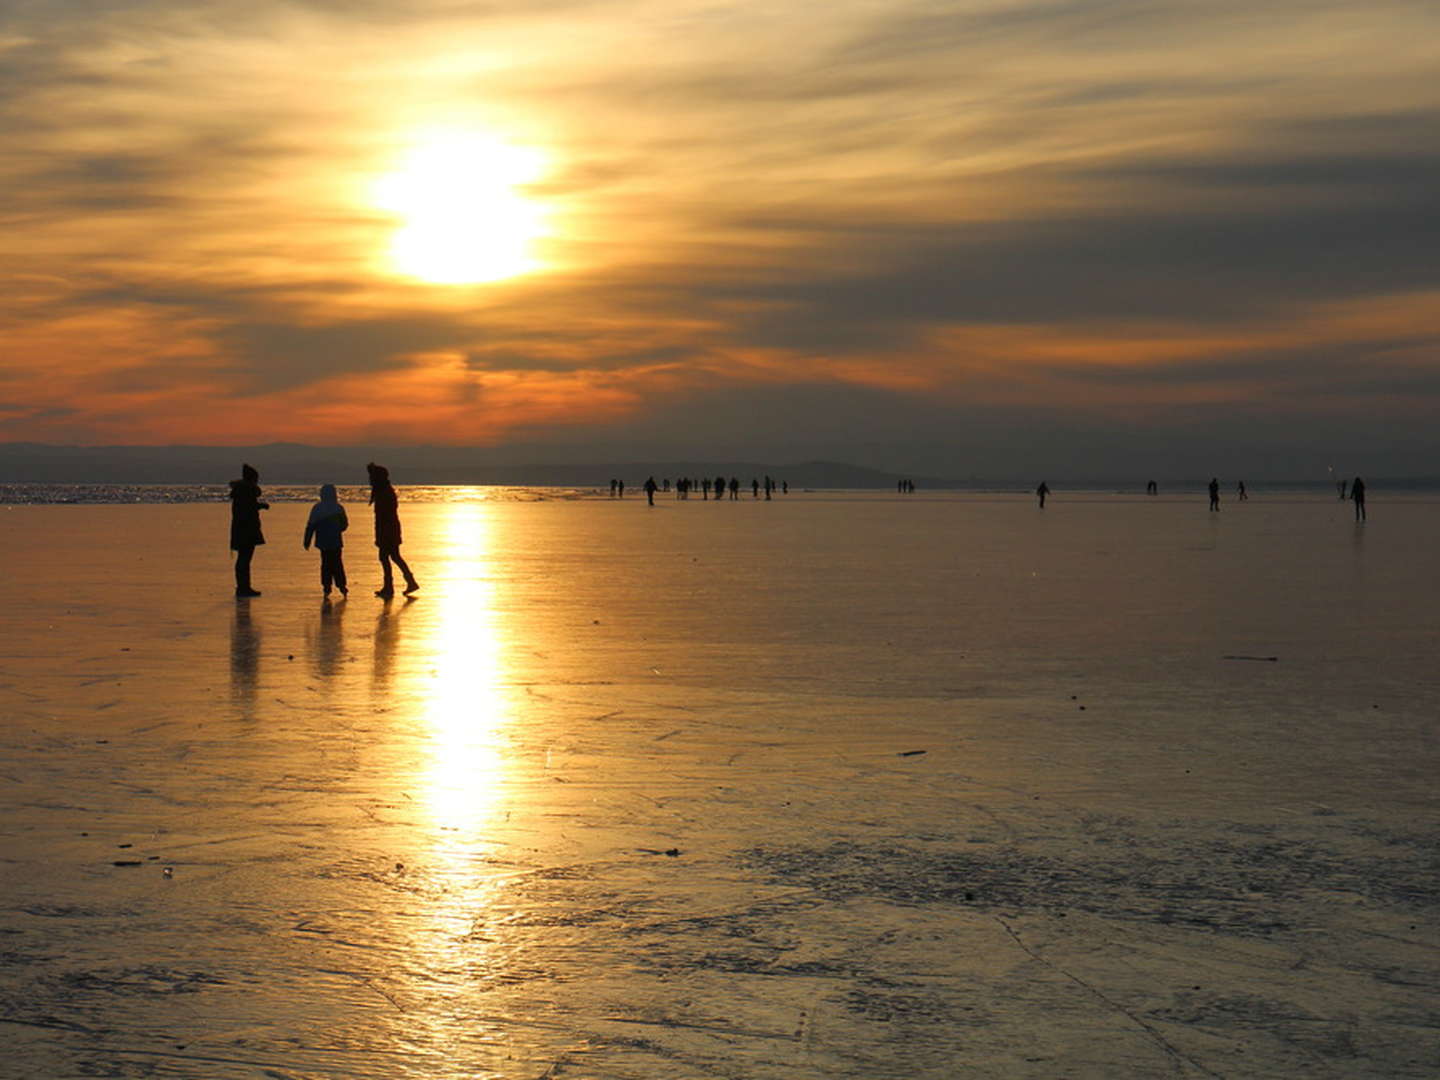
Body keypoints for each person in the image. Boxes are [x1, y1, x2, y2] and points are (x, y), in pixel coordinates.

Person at [367, 462, 419, 598]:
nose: (370, 481)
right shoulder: (383, 491)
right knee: (393, 557)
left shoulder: (384, 492)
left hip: (388, 531)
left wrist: (381, 535)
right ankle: (407, 582)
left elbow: (385, 517)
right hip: (389, 530)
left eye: (372, 478)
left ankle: (391, 586)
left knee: (387, 557)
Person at [303, 484, 349, 599]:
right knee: (337, 563)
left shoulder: (317, 508)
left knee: (325, 564)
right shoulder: (338, 508)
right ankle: (342, 585)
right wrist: (337, 529)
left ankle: (327, 586)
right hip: (335, 541)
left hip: (323, 541)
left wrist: (307, 540)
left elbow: (311, 525)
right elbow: (344, 525)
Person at [229, 463, 268, 597]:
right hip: (247, 531)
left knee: (243, 559)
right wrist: (260, 506)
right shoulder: (247, 491)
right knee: (244, 559)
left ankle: (243, 587)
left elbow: (248, 507)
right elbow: (248, 509)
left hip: (240, 530)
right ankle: (243, 588)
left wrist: (260, 506)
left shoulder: (241, 492)